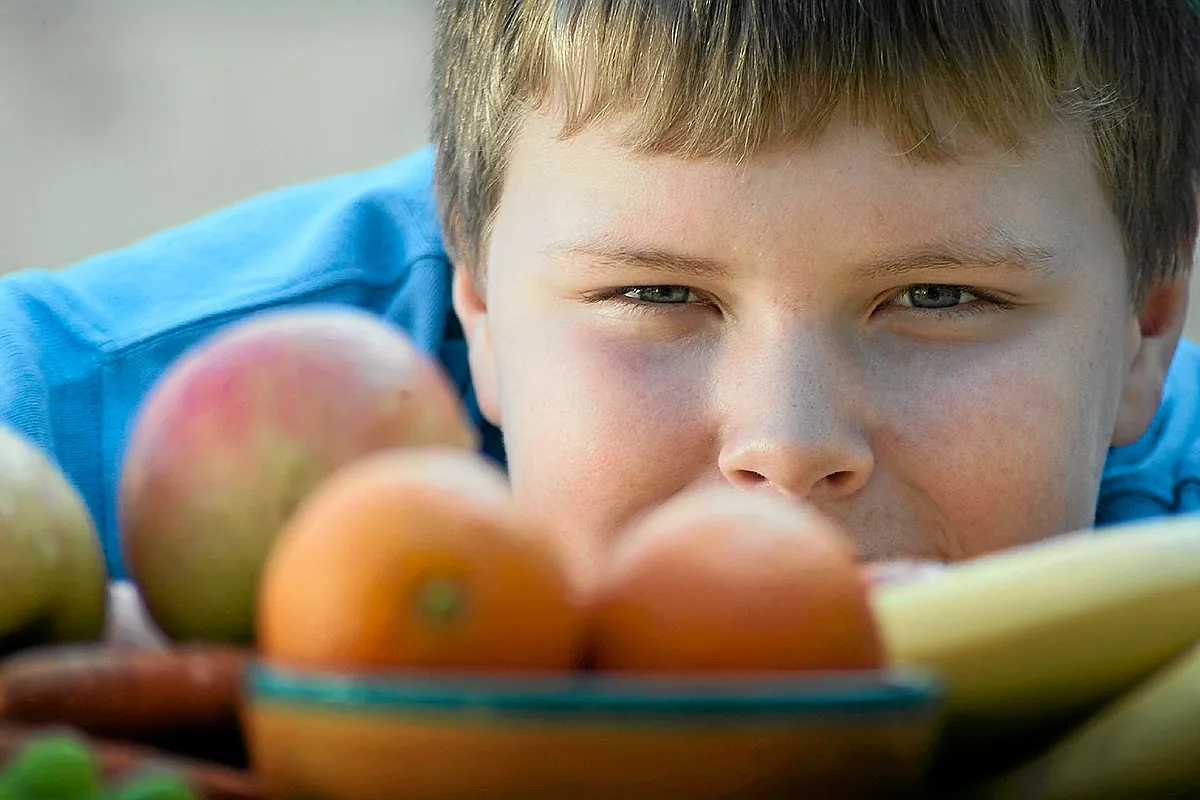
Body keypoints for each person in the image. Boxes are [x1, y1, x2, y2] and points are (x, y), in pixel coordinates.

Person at [3, 1, 1198, 595]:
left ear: (1148, 325)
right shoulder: (56, 442)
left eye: (939, 295)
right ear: (475, 296)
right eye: (655, 291)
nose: (787, 445)